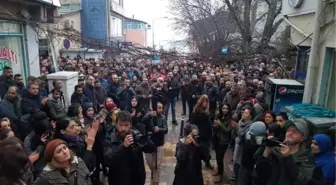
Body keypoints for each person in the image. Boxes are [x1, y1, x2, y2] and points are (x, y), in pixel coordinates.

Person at [254, 119, 314, 185]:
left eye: (295, 132)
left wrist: (288, 158)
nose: (290, 133)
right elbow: (260, 174)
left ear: (303, 138)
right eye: (288, 130)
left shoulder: (306, 158)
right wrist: (266, 151)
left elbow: (302, 181)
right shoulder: (275, 150)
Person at [103, 111, 155, 185]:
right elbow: (108, 161)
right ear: (116, 124)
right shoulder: (109, 139)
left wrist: (144, 139)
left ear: (130, 124)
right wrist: (123, 147)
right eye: (120, 125)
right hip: (118, 181)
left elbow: (151, 148)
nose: (123, 128)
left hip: (136, 180)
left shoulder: (135, 134)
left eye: (126, 125)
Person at [142, 102, 168, 183]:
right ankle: (153, 171)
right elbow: (143, 121)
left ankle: (156, 180)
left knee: (158, 164)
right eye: (159, 108)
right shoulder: (149, 116)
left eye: (162, 108)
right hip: (150, 143)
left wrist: (159, 129)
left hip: (159, 143)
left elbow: (166, 129)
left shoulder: (163, 118)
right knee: (150, 163)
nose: (161, 110)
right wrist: (149, 115)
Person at [190, 95, 213, 169]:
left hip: (207, 134)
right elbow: (192, 123)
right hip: (200, 135)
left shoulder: (206, 111)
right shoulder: (196, 111)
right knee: (199, 150)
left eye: (206, 101)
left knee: (207, 150)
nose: (205, 103)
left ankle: (207, 162)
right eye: (204, 101)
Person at [212, 103, 233, 183]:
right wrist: (216, 125)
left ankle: (221, 175)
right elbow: (213, 125)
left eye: (226, 108)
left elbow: (228, 131)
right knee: (217, 156)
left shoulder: (230, 118)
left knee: (220, 157)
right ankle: (218, 171)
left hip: (224, 141)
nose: (225, 110)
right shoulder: (218, 115)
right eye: (223, 108)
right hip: (216, 138)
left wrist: (220, 124)